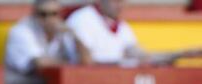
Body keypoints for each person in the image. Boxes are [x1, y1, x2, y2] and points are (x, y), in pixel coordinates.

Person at [66, 0, 202, 66]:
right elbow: (86, 63)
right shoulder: (83, 19)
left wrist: (180, 54)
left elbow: (141, 56)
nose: (120, 5)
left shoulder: (123, 27)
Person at [4, 0, 88, 84]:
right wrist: (72, 64)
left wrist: (74, 35)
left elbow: (86, 62)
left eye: (54, 14)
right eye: (43, 14)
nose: (49, 19)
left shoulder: (63, 31)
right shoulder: (21, 31)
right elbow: (41, 63)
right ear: (34, 14)